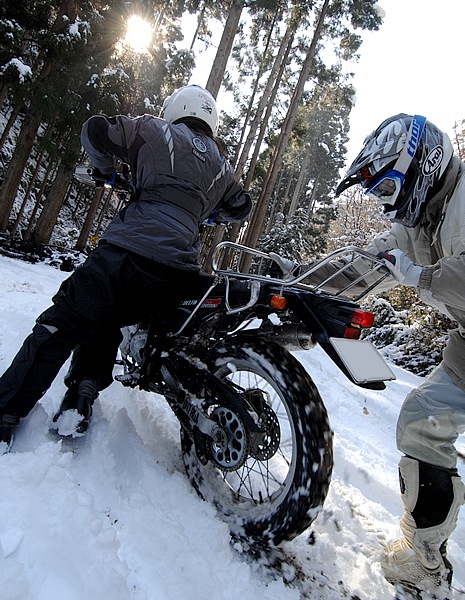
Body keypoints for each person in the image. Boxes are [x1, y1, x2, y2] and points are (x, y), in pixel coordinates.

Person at [274, 113, 465, 597]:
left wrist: (419, 277)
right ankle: (425, 563)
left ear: (419, 168)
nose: (386, 204)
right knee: (421, 421)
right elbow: (364, 264)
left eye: (388, 188)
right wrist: (299, 281)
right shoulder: (419, 224)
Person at [0, 84, 251, 446]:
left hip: (126, 254)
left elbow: (95, 129)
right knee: (108, 314)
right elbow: (241, 206)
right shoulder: (221, 165)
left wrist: (105, 171)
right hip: (177, 274)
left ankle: (6, 410)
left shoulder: (154, 129)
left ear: (175, 109)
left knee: (65, 319)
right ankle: (83, 391)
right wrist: (208, 212)